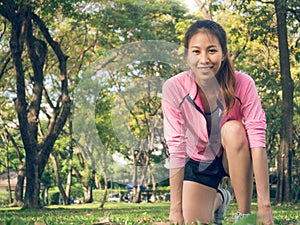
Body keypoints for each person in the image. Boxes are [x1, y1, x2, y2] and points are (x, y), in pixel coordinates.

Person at [162, 20, 274, 225]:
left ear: (223, 53)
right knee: (192, 221)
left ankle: (244, 215)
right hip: (198, 161)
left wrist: (264, 207)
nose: (204, 59)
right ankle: (220, 199)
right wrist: (175, 210)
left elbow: (257, 141)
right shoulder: (174, 88)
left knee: (233, 129)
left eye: (211, 50)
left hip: (235, 156)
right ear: (187, 55)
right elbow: (177, 147)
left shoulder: (243, 83)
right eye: (196, 51)